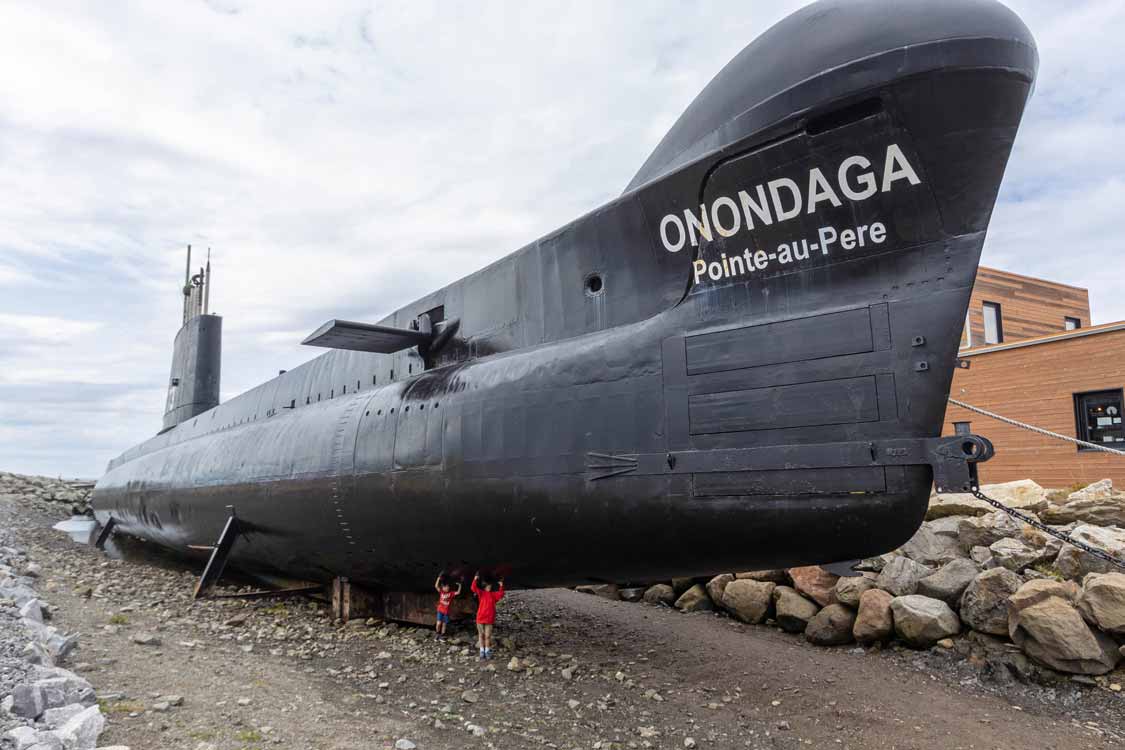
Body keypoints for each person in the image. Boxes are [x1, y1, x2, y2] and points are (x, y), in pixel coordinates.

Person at [470, 571, 505, 659]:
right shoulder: (481, 593)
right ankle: (482, 651)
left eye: (490, 586)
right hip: (480, 618)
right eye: (487, 586)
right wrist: (475, 578)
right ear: (485, 587)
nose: (489, 587)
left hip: (489, 619)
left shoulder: (493, 595)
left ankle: (487, 651)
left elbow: (501, 594)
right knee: (481, 635)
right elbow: (473, 588)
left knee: (488, 636)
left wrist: (501, 585)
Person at [433, 573, 461, 640]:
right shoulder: (441, 592)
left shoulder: (451, 593)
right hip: (440, 610)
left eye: (448, 587)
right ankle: (437, 634)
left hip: (447, 612)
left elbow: (458, 592)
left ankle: (442, 636)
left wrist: (459, 585)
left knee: (444, 624)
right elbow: (436, 586)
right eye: (445, 587)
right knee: (439, 623)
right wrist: (438, 577)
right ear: (443, 587)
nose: (447, 588)